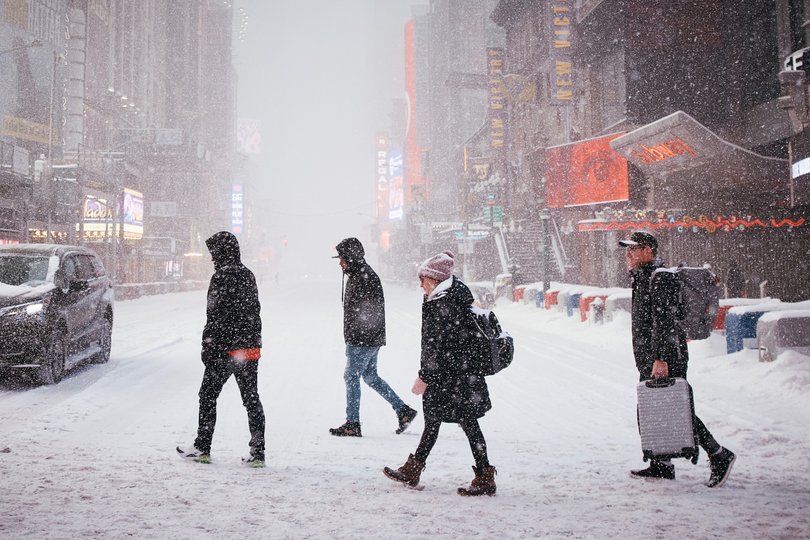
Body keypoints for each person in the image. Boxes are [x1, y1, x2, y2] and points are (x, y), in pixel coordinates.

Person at [619, 231, 736, 487]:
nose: (628, 254)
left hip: (667, 356)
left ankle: (719, 455)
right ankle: (661, 464)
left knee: (677, 410)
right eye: (627, 250)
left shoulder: (661, 279)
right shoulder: (643, 277)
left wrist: (661, 359)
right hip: (651, 355)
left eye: (633, 249)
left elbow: (665, 322)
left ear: (648, 251)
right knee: (653, 408)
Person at [383, 250, 497, 496]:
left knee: (467, 423)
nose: (420, 285)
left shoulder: (444, 303)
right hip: (456, 376)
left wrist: (425, 377)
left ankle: (485, 476)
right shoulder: (449, 297)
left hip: (454, 378)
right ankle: (414, 469)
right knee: (435, 422)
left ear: (433, 279)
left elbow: (439, 348)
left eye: (422, 279)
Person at [177, 231, 266, 467]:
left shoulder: (221, 277)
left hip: (225, 350)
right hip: (248, 348)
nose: (211, 258)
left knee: (207, 395)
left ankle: (202, 447)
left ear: (221, 253)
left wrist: (208, 347)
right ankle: (258, 452)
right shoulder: (248, 275)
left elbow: (215, 316)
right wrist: (253, 343)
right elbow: (253, 312)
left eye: (213, 253)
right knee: (251, 398)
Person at [329, 237, 417, 437]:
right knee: (370, 376)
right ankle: (403, 410)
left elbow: (370, 311)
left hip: (363, 338)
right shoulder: (359, 275)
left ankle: (353, 423)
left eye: (342, 258)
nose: (339, 262)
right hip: (367, 337)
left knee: (351, 376)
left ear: (351, 258)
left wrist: (360, 337)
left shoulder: (363, 277)